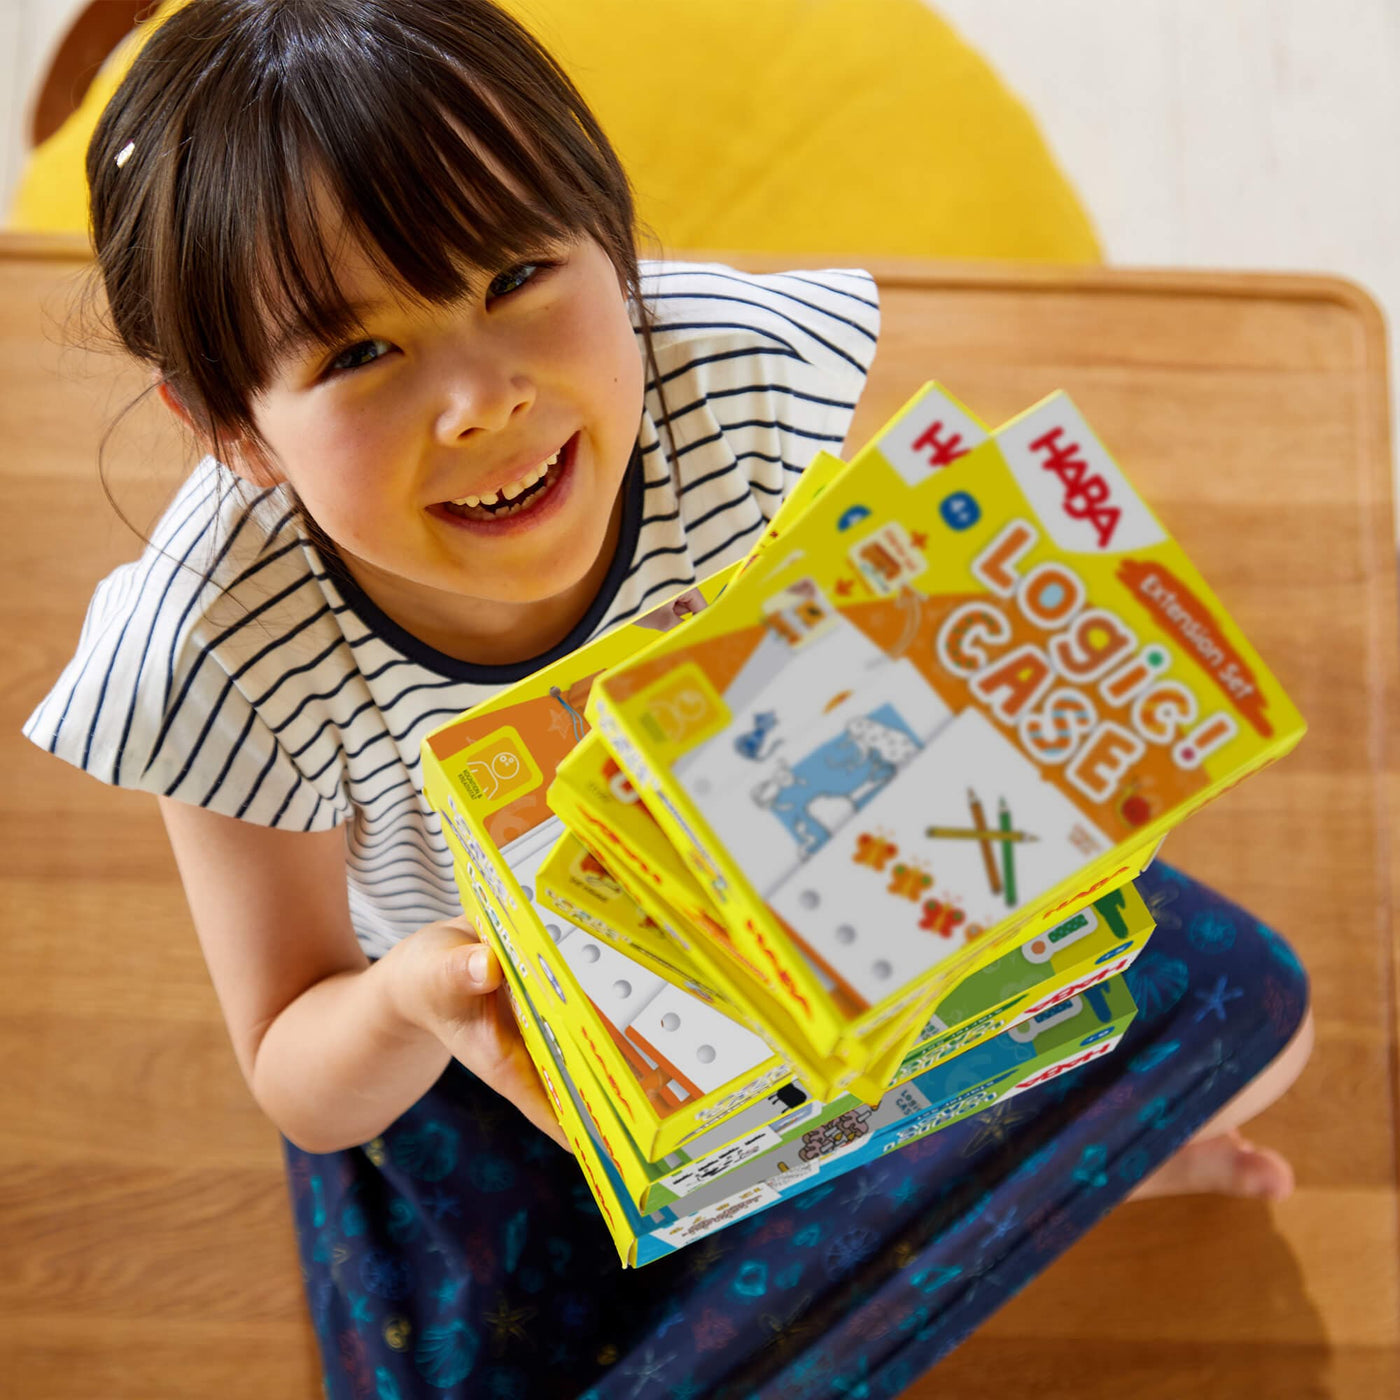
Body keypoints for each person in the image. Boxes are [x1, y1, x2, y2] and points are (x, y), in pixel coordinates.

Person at [22, 2, 1312, 1395]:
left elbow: (868, 652)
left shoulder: (739, 386)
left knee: (1260, 1018)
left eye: (517, 272)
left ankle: (978, 1195)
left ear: (616, 240)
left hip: (782, 909)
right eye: (356, 356)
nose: (478, 401)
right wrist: (416, 1002)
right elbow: (294, 1060)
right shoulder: (214, 651)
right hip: (469, 1042)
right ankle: (1011, 1196)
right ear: (231, 431)